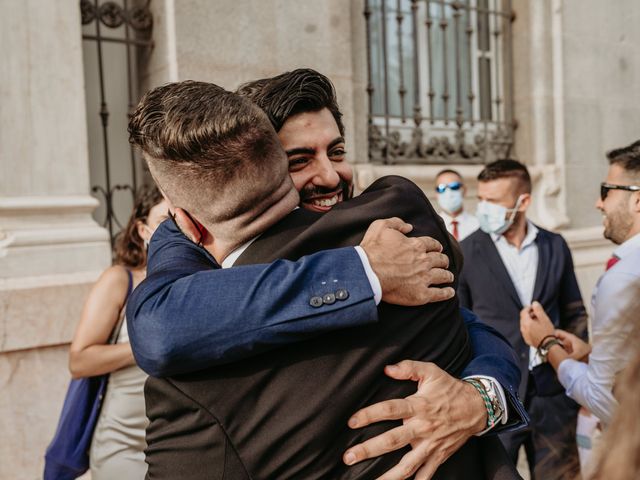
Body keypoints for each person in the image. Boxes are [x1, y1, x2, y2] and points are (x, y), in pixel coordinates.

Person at [128, 69, 527, 477]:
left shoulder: (401, 234)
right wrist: (365, 271)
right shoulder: (396, 218)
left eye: (336, 152)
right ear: (260, 167)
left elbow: (471, 325)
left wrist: (480, 398)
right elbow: (160, 325)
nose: (331, 176)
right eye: (300, 160)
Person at [458, 159, 587, 479]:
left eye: (494, 201)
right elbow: (458, 326)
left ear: (524, 201)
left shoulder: (555, 245)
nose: (485, 208)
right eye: (482, 200)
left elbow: (575, 311)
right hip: (498, 397)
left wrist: (578, 363)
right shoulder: (465, 252)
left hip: (552, 397)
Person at [520, 140, 640, 426]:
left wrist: (548, 344)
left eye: (606, 192)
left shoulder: (623, 278)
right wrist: (592, 355)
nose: (599, 203)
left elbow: (604, 399)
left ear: (637, 200)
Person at [68, 184, 168, 479]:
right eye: (165, 221)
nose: (176, 229)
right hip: (122, 445)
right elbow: (79, 361)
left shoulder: (199, 279)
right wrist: (152, 345)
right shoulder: (119, 280)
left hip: (176, 441)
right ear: (143, 230)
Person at [434, 168, 479, 241]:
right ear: (436, 194)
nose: (448, 193)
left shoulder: (478, 225)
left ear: (464, 190)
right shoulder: (432, 227)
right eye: (441, 188)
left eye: (454, 186)